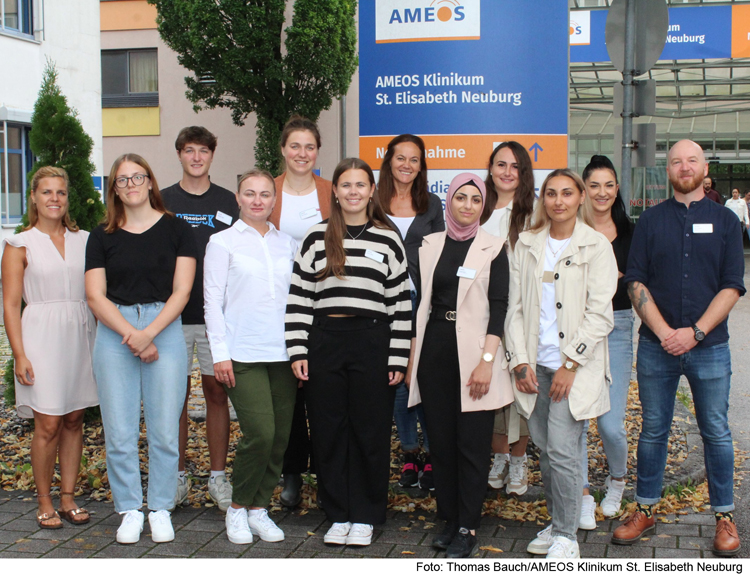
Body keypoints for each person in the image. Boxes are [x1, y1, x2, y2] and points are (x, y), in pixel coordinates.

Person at [613, 139, 744, 557]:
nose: (684, 167)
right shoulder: (649, 221)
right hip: (656, 346)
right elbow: (635, 281)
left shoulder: (725, 221)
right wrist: (667, 331)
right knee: (653, 431)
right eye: (675, 161)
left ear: (705, 168)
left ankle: (724, 515)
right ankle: (645, 509)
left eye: (691, 160)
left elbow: (733, 286)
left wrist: (696, 332)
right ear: (667, 170)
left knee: (717, 433)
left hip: (710, 348)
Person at [285, 158, 411, 547]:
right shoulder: (315, 237)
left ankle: (367, 514)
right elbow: (299, 298)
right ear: (335, 192)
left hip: (373, 341)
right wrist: (297, 349)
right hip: (324, 340)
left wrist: (398, 357)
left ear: (372, 190)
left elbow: (401, 303)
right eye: (346, 185)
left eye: (361, 185)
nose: (354, 192)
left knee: (370, 431)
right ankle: (338, 513)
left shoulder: (387, 238)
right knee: (328, 430)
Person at [85, 154, 197, 544]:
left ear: (150, 181)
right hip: (114, 330)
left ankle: (161, 507)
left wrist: (148, 332)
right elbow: (95, 296)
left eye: (138, 177)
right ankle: (130, 508)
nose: (131, 184)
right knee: (119, 431)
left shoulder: (177, 229)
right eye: (122, 179)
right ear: (114, 188)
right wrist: (133, 335)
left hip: (163, 327)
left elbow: (182, 290)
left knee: (165, 430)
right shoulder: (101, 235)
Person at [505, 169, 616, 559]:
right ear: (543, 199)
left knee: (565, 452)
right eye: (551, 193)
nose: (558, 201)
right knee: (548, 452)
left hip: (574, 371)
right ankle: (557, 524)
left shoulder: (596, 246)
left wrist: (571, 365)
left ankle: (567, 537)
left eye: (567, 193)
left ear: (581, 197)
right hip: (536, 370)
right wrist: (519, 362)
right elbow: (514, 310)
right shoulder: (527, 244)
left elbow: (601, 314)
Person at [408, 173, 512, 558]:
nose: (467, 206)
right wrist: (413, 354)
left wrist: (487, 361)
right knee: (442, 442)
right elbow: (422, 303)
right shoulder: (430, 243)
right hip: (434, 349)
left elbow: (499, 307)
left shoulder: (494, 246)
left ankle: (468, 525)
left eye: (474, 199)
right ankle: (449, 518)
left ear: (483, 205)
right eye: (460, 198)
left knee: (471, 444)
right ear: (448, 201)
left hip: (474, 356)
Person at [203, 169, 298, 544]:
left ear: (275, 200)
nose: (258, 200)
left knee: (280, 437)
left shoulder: (287, 243)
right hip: (241, 352)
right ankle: (238, 508)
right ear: (238, 198)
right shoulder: (222, 242)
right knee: (260, 433)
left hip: (284, 353)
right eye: (249, 193)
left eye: (265, 194)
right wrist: (220, 354)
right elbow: (212, 302)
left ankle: (260, 508)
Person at [1, 167, 98, 530]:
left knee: (74, 418)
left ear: (67, 198)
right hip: (40, 337)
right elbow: (11, 305)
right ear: (34, 198)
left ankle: (69, 498)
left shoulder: (86, 239)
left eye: (60, 192)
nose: (54, 199)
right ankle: (44, 500)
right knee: (48, 423)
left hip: (81, 333)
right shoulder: (18, 244)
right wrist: (19, 354)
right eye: (46, 192)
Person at [161, 126, 239, 512]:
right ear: (179, 154)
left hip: (214, 320)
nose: (196, 157)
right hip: (171, 317)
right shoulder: (162, 200)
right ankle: (175, 478)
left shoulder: (228, 201)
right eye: (189, 151)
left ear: (212, 155)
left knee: (216, 395)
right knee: (172, 399)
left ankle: (217, 478)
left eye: (203, 151)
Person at [376, 133, 444, 491]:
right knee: (397, 378)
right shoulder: (373, 201)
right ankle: (409, 453)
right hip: (381, 303)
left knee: (424, 378)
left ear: (421, 166)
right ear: (389, 161)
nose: (406, 165)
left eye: (414, 159)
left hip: (422, 302)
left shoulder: (431, 204)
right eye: (400, 158)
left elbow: (439, 253)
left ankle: (432, 455)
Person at [272, 115, 333, 508]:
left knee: (323, 391)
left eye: (309, 146)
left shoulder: (331, 192)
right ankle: (291, 473)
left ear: (317, 151)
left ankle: (327, 474)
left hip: (325, 303)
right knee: (288, 394)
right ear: (283, 150)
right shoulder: (268, 191)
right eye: (295, 146)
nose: (302, 153)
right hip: (277, 305)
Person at [579, 155, 634, 529]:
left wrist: (618, 277)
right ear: (584, 189)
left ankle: (617, 480)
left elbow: (644, 279)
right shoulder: (571, 228)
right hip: (577, 327)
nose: (602, 192)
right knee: (576, 420)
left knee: (610, 424)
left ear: (617, 189)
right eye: (594, 185)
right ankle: (581, 493)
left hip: (618, 324)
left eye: (608, 184)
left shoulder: (632, 232)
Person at [480, 141, 537, 496]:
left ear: (523, 173)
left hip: (518, 314)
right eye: (501, 164)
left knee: (518, 393)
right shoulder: (476, 208)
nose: (506, 172)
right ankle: (498, 457)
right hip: (480, 314)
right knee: (490, 393)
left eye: (515, 166)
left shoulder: (531, 214)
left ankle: (518, 460)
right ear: (490, 169)